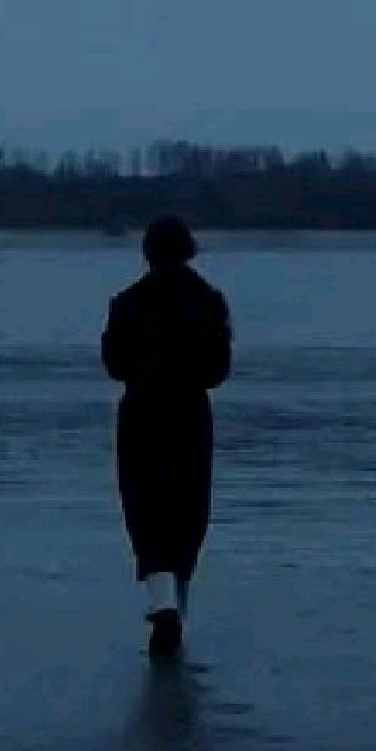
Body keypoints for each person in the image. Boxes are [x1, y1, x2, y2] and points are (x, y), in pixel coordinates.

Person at [101, 216, 232, 658]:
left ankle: (163, 606)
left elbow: (115, 365)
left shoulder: (127, 302)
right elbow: (217, 371)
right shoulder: (209, 301)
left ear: (147, 253)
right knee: (188, 512)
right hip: (189, 414)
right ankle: (175, 603)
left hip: (140, 414)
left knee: (146, 512)